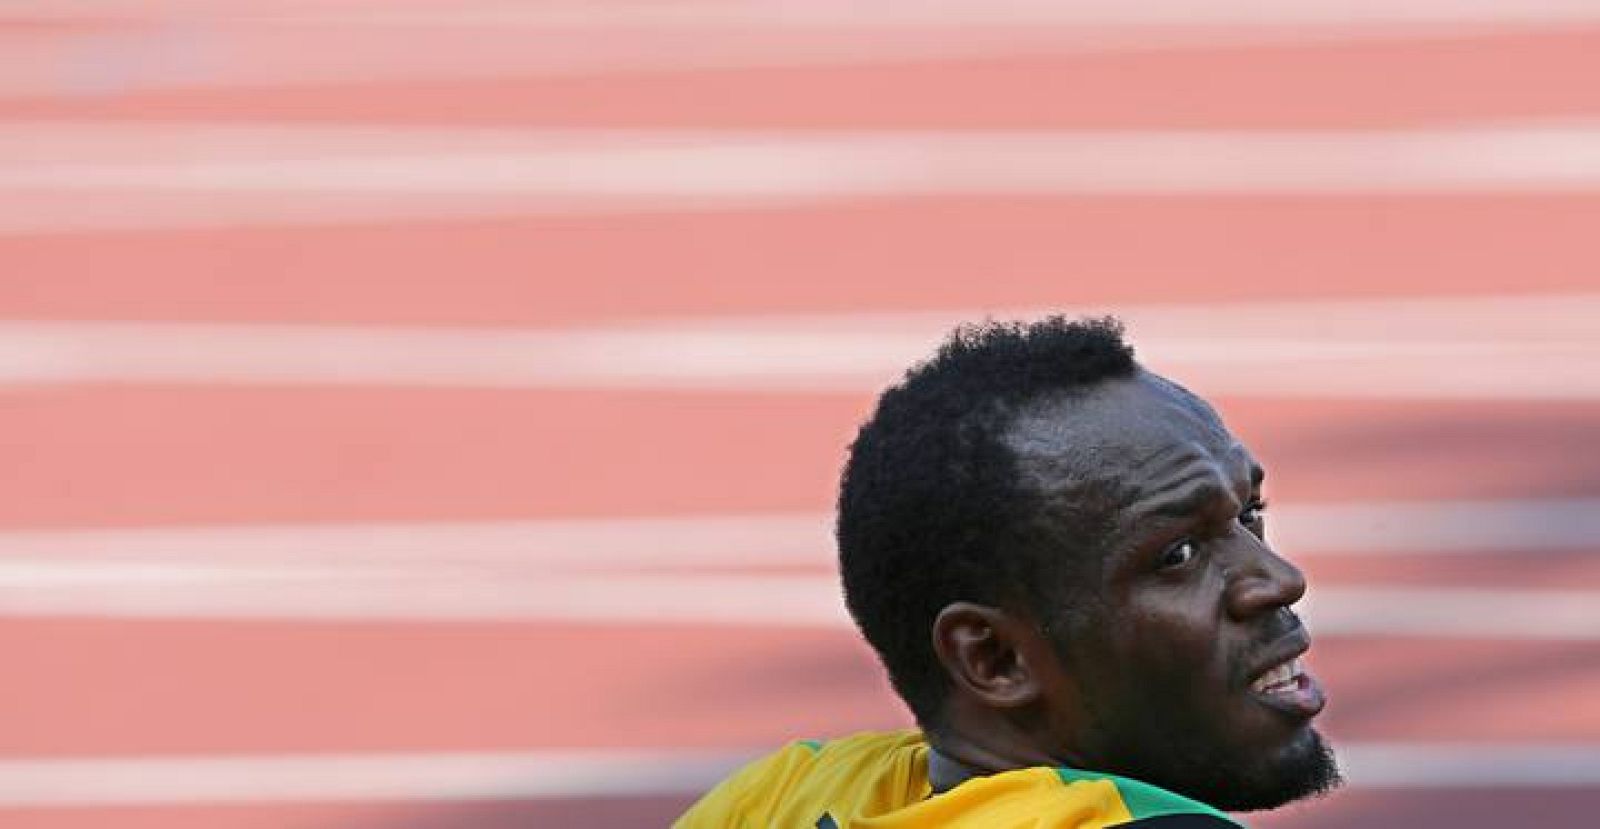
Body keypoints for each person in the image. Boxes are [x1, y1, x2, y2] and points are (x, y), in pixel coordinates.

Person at [674, 317, 1340, 828]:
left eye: (1250, 515)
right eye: (1177, 556)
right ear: (994, 658)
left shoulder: (779, 795)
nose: (1278, 578)